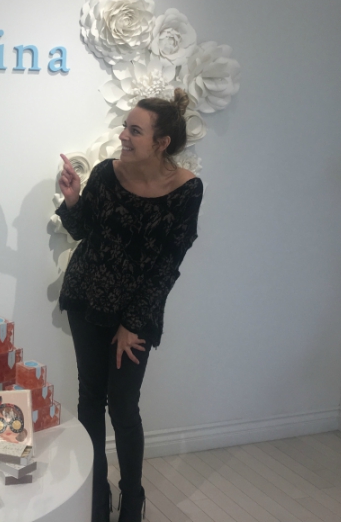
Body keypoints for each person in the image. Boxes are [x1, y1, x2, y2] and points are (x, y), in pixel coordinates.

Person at [55, 89, 203, 522]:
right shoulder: (107, 173)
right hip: (86, 299)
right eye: (125, 127)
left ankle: (132, 498)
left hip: (135, 314)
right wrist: (73, 198)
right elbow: (83, 230)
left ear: (161, 143)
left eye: (134, 131)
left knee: (122, 406)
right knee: (89, 399)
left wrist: (133, 323)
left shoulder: (186, 190)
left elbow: (168, 266)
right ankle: (95, 494)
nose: (122, 135)